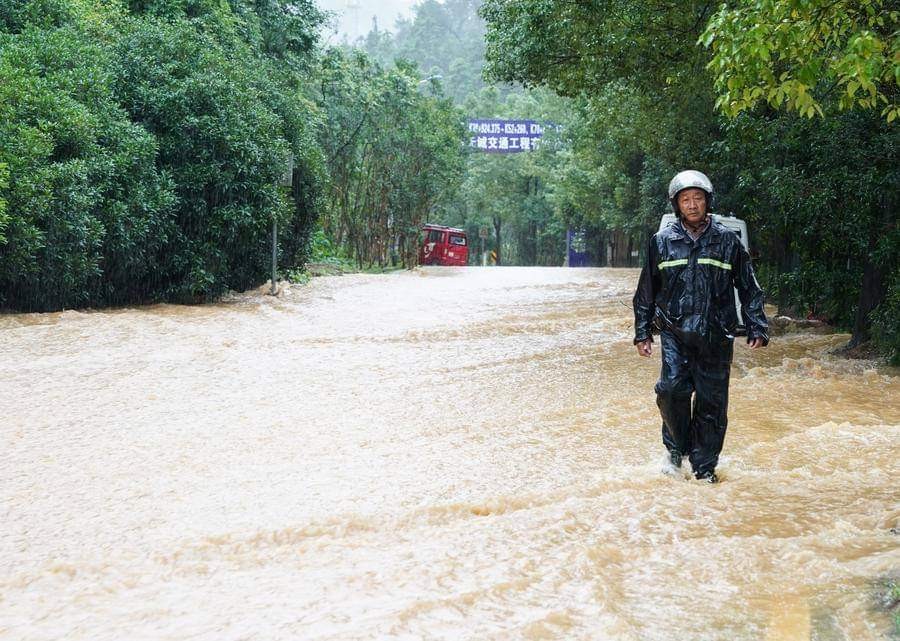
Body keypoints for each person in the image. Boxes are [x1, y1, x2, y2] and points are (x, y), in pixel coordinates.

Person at [632, 170, 769, 483]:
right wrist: (642, 332)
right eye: (685, 199)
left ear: (708, 201)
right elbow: (646, 291)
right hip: (674, 332)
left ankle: (704, 468)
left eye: (697, 198)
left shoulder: (728, 241)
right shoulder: (661, 242)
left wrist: (756, 325)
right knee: (670, 390)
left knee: (712, 404)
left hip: (716, 334)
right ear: (677, 205)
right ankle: (676, 450)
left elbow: (749, 287)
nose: (692, 204)